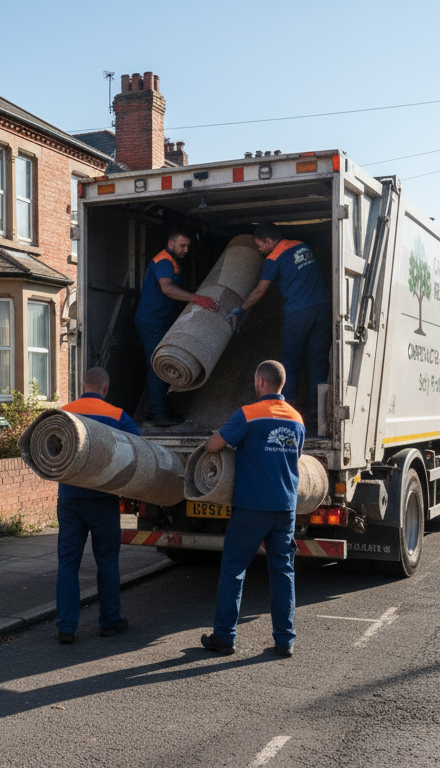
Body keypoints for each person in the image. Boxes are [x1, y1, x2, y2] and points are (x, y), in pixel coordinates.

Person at [199, 360, 303, 657]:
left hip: (251, 507)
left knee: (234, 570)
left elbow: (213, 445)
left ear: (260, 382)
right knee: (283, 572)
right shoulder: (297, 419)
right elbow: (295, 456)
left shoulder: (248, 414)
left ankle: (225, 637)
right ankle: (285, 641)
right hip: (285, 508)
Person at [54, 367, 141, 644]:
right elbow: (137, 446)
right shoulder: (116, 415)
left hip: (69, 499)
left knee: (68, 563)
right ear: (105, 388)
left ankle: (66, 628)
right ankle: (109, 621)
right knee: (107, 561)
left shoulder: (64, 412)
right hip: (102, 500)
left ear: (83, 384)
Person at [227, 223, 332, 419]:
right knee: (317, 361)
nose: (259, 250)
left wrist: (241, 310)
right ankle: (317, 414)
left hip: (298, 312)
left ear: (268, 241)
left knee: (289, 364)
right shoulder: (301, 246)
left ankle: (288, 414)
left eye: (260, 245)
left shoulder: (273, 259)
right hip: (323, 308)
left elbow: (260, 290)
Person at [134, 228, 219, 425]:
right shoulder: (164, 261)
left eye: (188, 246)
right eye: (182, 245)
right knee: (158, 366)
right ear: (171, 243)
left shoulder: (170, 262)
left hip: (160, 320)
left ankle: (157, 411)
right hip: (152, 322)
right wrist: (196, 298)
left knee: (159, 365)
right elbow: (167, 288)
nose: (186, 250)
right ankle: (160, 415)